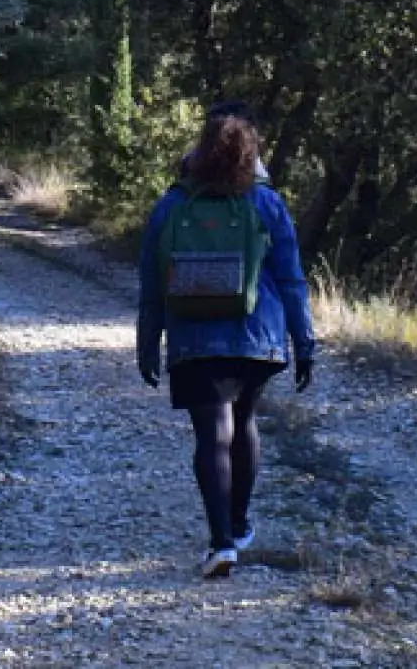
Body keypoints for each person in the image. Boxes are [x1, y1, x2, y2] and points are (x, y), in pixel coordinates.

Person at [137, 110, 317, 578]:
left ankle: (221, 543)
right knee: (244, 423)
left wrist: (147, 340)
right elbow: (292, 279)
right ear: (250, 154)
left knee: (212, 434)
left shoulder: (171, 205)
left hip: (195, 336)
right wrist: (304, 341)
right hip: (258, 336)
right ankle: (237, 525)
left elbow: (152, 282)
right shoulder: (267, 204)